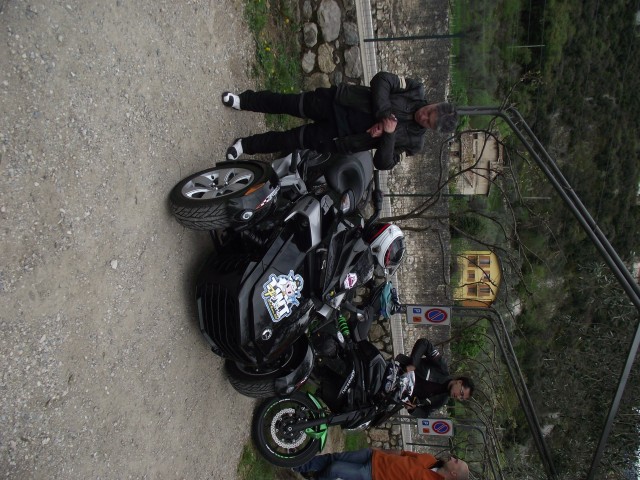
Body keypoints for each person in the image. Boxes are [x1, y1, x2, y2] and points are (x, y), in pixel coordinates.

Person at [221, 71, 458, 170]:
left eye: (428, 122)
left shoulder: (414, 144)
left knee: (290, 140)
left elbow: (384, 163)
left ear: (431, 129)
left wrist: (389, 134)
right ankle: (243, 100)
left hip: (339, 137)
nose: (423, 116)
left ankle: (245, 145)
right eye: (429, 111)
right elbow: (382, 80)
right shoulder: (415, 89)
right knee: (286, 103)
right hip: (338, 101)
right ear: (434, 103)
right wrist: (384, 114)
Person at [396, 337, 475, 418]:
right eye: (461, 393)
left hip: (398, 395)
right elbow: (424, 343)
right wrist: (413, 364)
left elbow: (425, 413)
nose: (458, 397)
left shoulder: (441, 400)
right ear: (459, 382)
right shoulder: (441, 367)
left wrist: (413, 408)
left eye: (461, 398)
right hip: (397, 370)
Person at [293, 448, 469, 480]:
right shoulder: (430, 459)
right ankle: (298, 465)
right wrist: (378, 450)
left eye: (456, 461)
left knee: (335, 468)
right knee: (334, 458)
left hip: (372, 474)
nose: (453, 458)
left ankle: (315, 477)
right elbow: (402, 453)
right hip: (373, 456)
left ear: (454, 473)